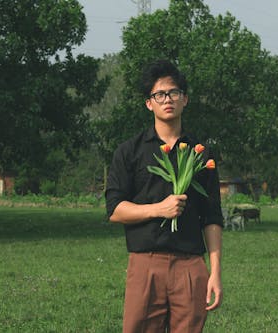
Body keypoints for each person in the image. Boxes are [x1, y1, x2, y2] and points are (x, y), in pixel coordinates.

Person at [105, 59, 224, 333]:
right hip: (146, 263)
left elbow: (212, 216)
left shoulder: (201, 154)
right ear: (149, 103)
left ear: (184, 99)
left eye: (173, 93)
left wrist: (214, 271)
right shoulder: (130, 151)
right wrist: (158, 209)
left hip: (190, 265)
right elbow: (115, 210)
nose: (166, 99)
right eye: (159, 94)